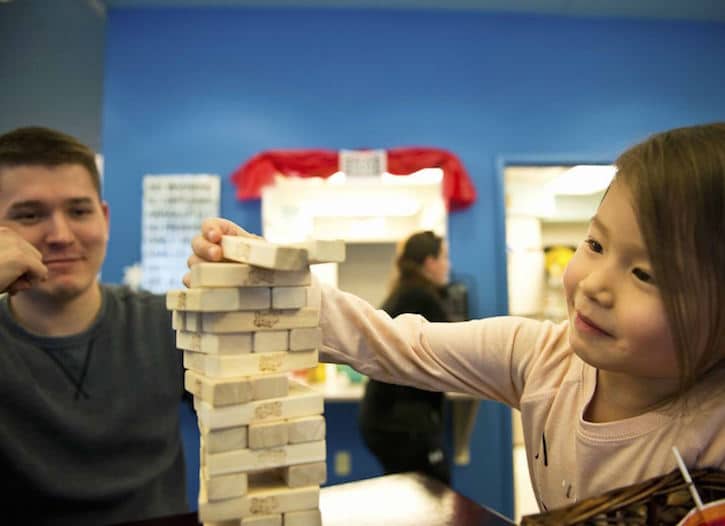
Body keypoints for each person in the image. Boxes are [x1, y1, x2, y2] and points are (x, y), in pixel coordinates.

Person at [188, 122, 725, 513]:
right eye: (594, 243)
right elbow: (399, 343)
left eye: (646, 275)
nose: (595, 284)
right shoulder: (540, 355)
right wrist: (274, 282)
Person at [0, 127, 187, 525]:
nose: (61, 236)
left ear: (103, 218)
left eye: (79, 211)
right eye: (29, 214)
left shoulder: (169, 322)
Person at [358, 230, 453, 484]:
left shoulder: (403, 292)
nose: (448, 265)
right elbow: (450, 350)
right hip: (402, 422)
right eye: (444, 257)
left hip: (387, 419)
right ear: (430, 263)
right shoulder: (420, 297)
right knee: (435, 496)